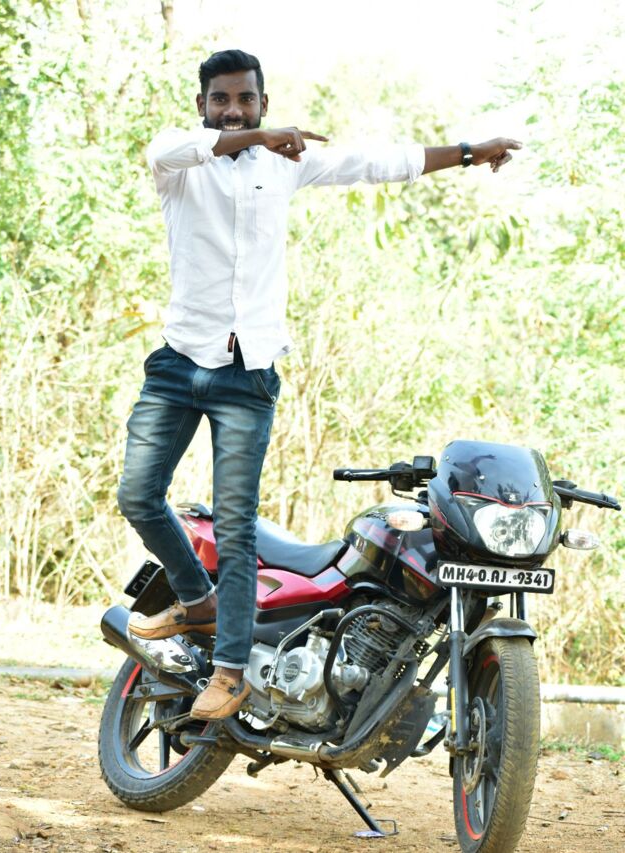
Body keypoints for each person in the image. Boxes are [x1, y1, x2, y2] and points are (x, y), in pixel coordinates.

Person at [118, 49, 521, 721]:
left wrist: (468, 152)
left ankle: (230, 671)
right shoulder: (178, 160)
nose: (233, 110)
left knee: (237, 524)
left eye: (246, 99)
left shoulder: (286, 164)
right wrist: (257, 136)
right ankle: (195, 598)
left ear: (263, 101)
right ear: (202, 105)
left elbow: (377, 162)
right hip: (178, 363)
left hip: (248, 374)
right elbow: (179, 149)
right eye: (221, 100)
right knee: (137, 495)